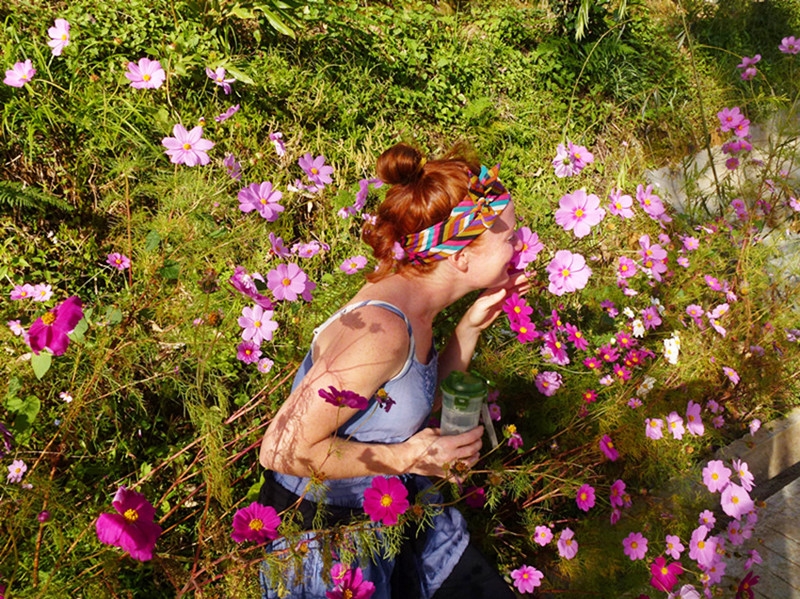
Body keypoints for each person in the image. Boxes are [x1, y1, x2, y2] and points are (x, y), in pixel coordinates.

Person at [257, 142, 527, 598]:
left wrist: (470, 328)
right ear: (462, 256)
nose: (519, 245)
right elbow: (281, 450)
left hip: (391, 514)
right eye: (509, 237)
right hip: (326, 542)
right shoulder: (382, 331)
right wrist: (408, 458)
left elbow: (406, 405)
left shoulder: (415, 302)